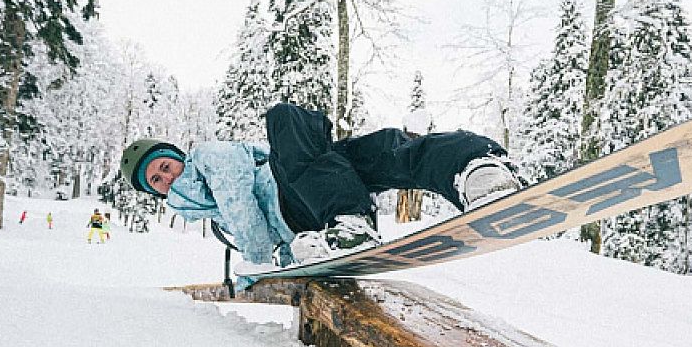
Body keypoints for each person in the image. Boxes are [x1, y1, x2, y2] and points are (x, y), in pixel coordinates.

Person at [118, 102, 520, 268]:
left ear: (177, 157)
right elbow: (269, 242)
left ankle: (477, 168)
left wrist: (258, 259)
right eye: (157, 180)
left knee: (384, 149)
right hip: (309, 208)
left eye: (165, 165)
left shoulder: (207, 156)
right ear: (155, 192)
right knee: (296, 135)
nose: (168, 177)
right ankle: (347, 225)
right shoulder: (214, 219)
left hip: (310, 188)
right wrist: (292, 256)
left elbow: (240, 202)